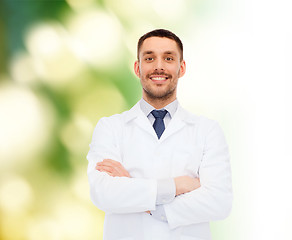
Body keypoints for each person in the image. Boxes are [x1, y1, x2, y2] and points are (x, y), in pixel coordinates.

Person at [87, 29, 233, 240]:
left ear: (181, 68)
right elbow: (103, 194)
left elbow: (219, 201)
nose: (159, 66)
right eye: (149, 58)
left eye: (168, 58)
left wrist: (142, 198)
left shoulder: (207, 130)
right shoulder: (110, 128)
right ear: (137, 68)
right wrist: (179, 186)